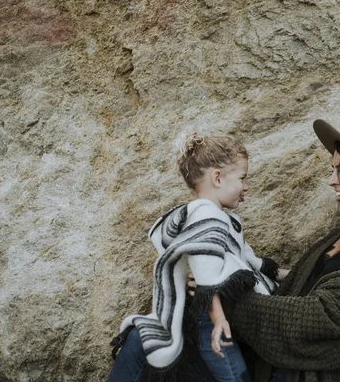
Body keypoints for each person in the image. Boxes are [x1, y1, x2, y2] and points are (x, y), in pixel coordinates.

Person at [190, 118, 340, 382]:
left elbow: (321, 314)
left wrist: (228, 295)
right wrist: (255, 272)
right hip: (280, 365)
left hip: (315, 373)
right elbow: (313, 281)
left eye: (338, 170)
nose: (331, 181)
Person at [108, 134, 286, 382]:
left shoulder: (224, 219)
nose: (246, 187)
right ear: (217, 178)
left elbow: (252, 264)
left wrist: (292, 275)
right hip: (208, 318)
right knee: (235, 375)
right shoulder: (205, 213)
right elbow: (205, 273)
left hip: (214, 317)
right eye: (242, 178)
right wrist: (219, 320)